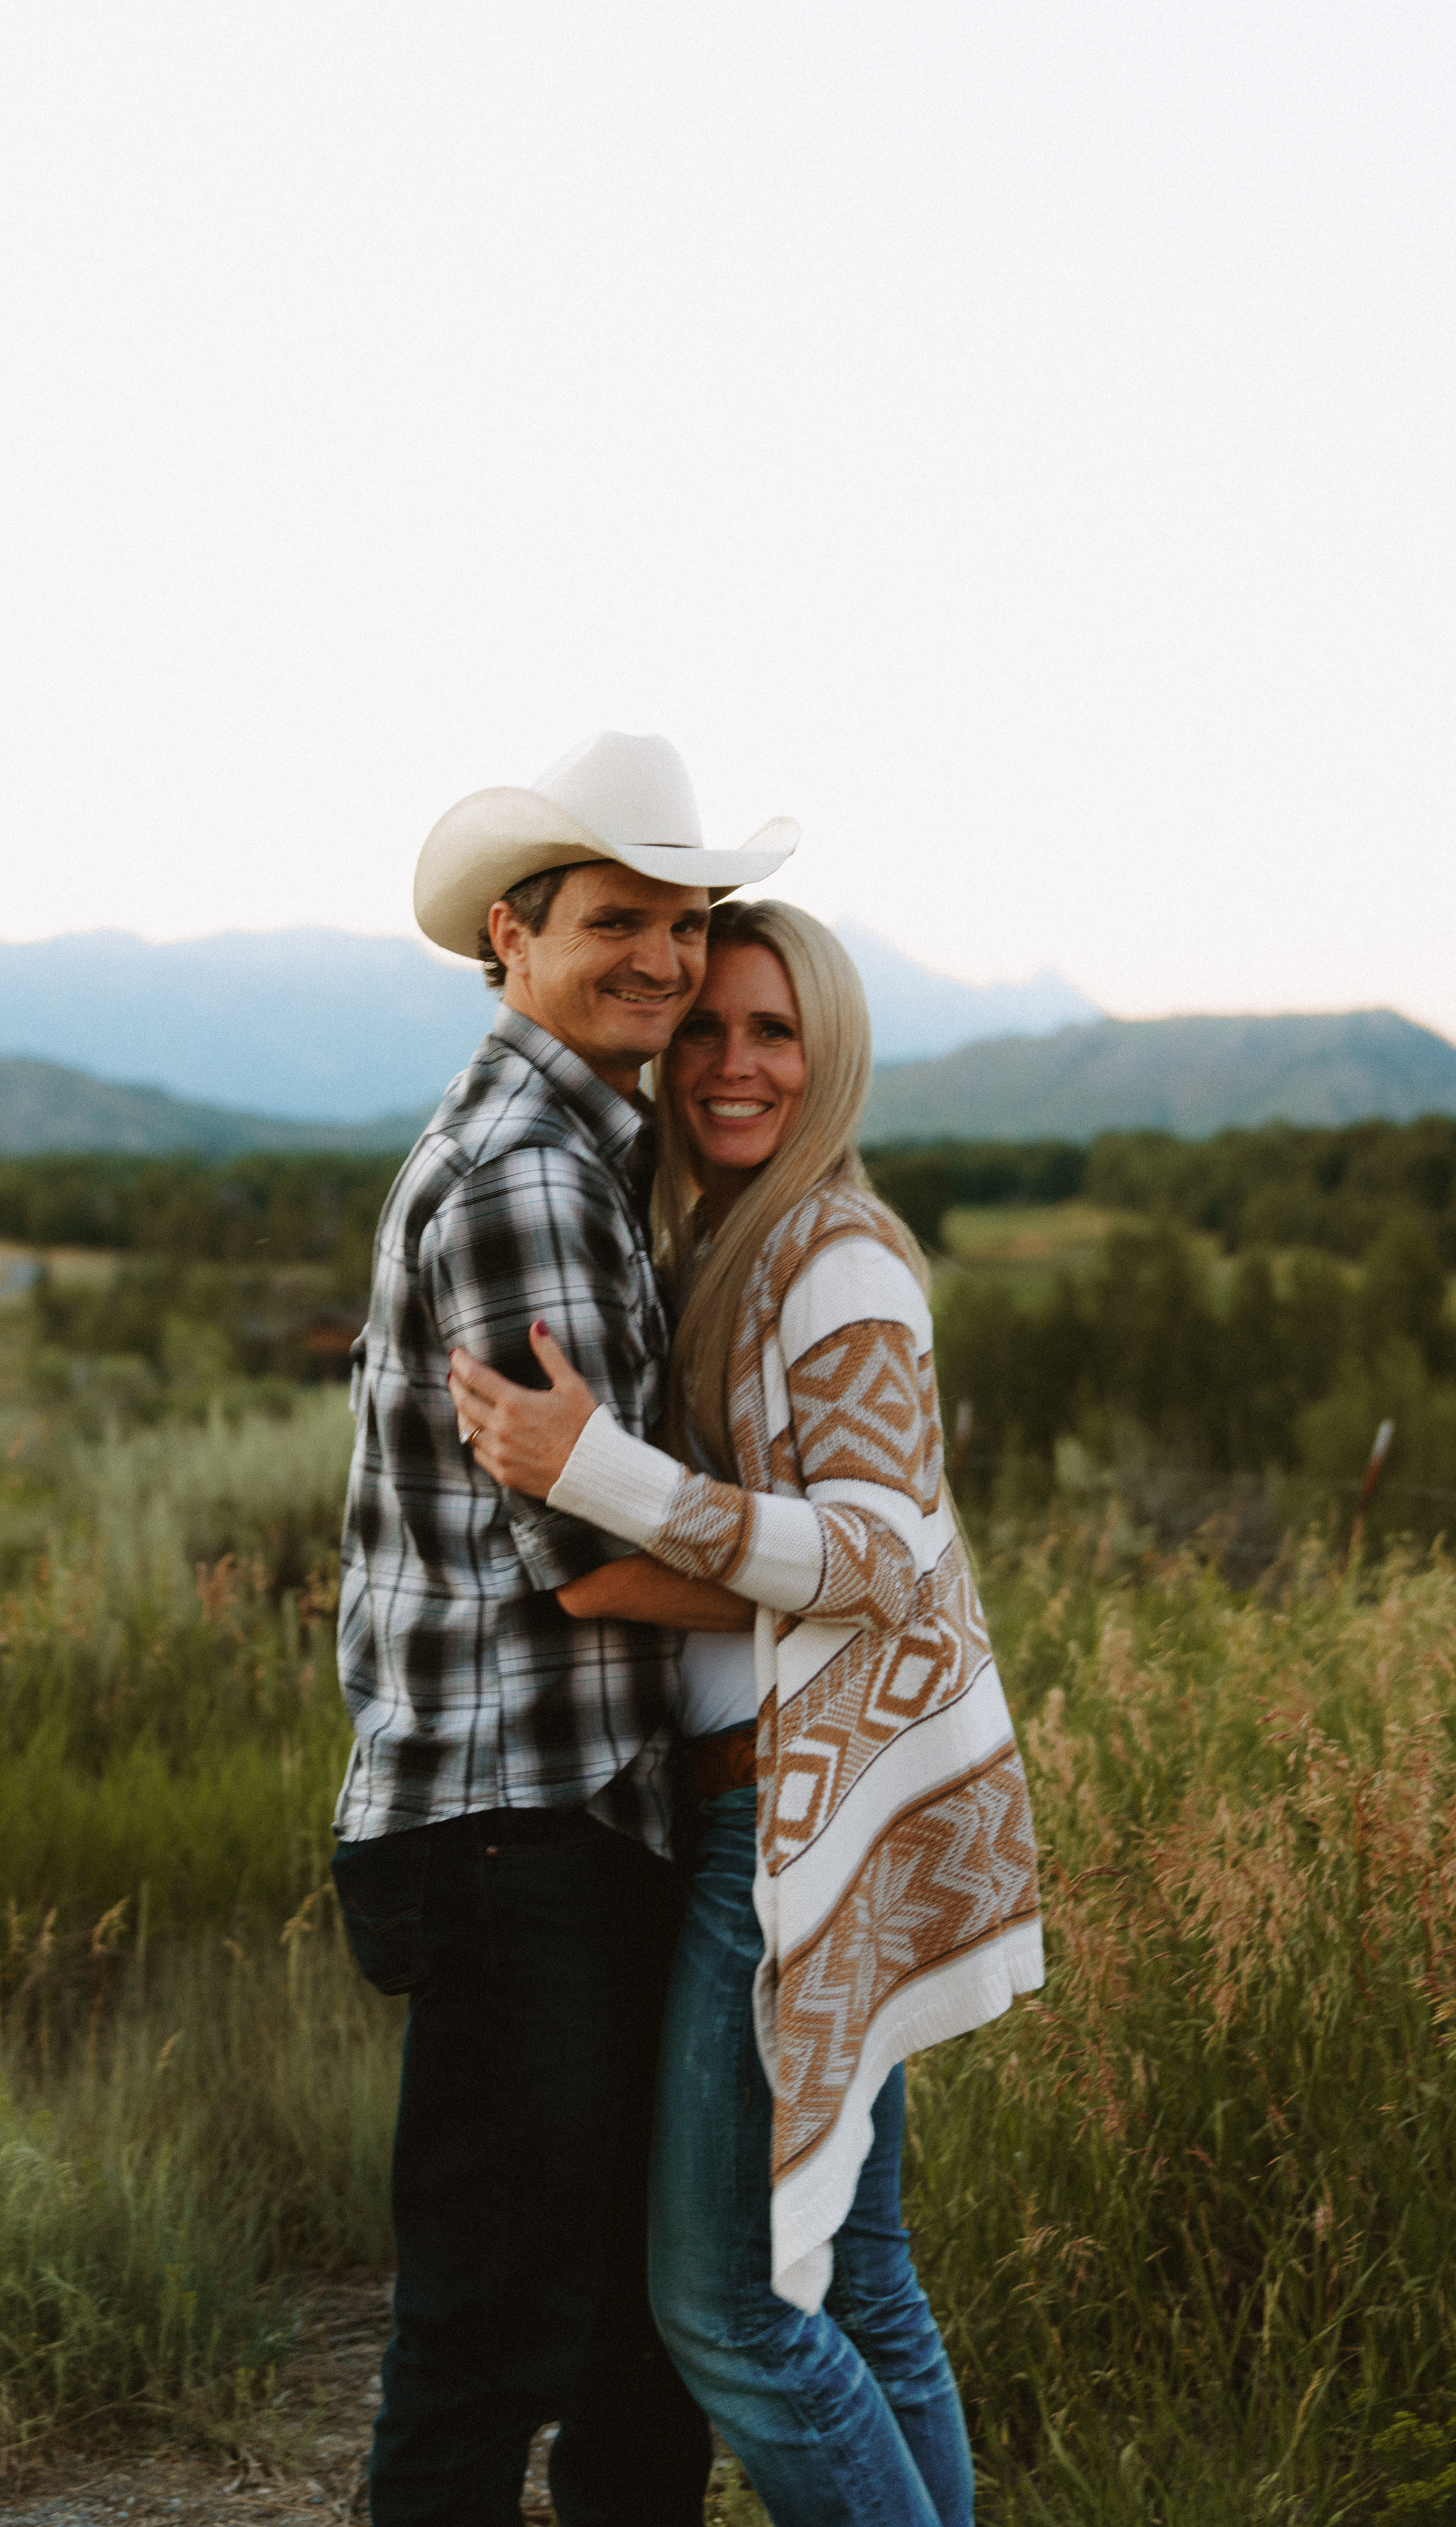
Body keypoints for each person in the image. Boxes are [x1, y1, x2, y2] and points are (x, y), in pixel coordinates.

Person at [449, 898, 1045, 2527]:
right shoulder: (724, 1241)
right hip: (801, 1794)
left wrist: (593, 1480)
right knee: (857, 2277)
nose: (727, 1060)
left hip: (792, 1823)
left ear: (829, 1050)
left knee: (730, 2309)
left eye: (772, 1031)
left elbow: (874, 1559)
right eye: (706, 1024)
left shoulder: (838, 1258)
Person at [331, 732, 797, 2527]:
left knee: (615, 2328)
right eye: (619, 921)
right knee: (496, 2331)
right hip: (519, 1824)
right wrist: (865, 1581)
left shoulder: (572, 1151)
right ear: (510, 940)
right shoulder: (531, 1171)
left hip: (543, 1820)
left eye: (684, 925)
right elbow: (589, 1564)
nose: (666, 964)